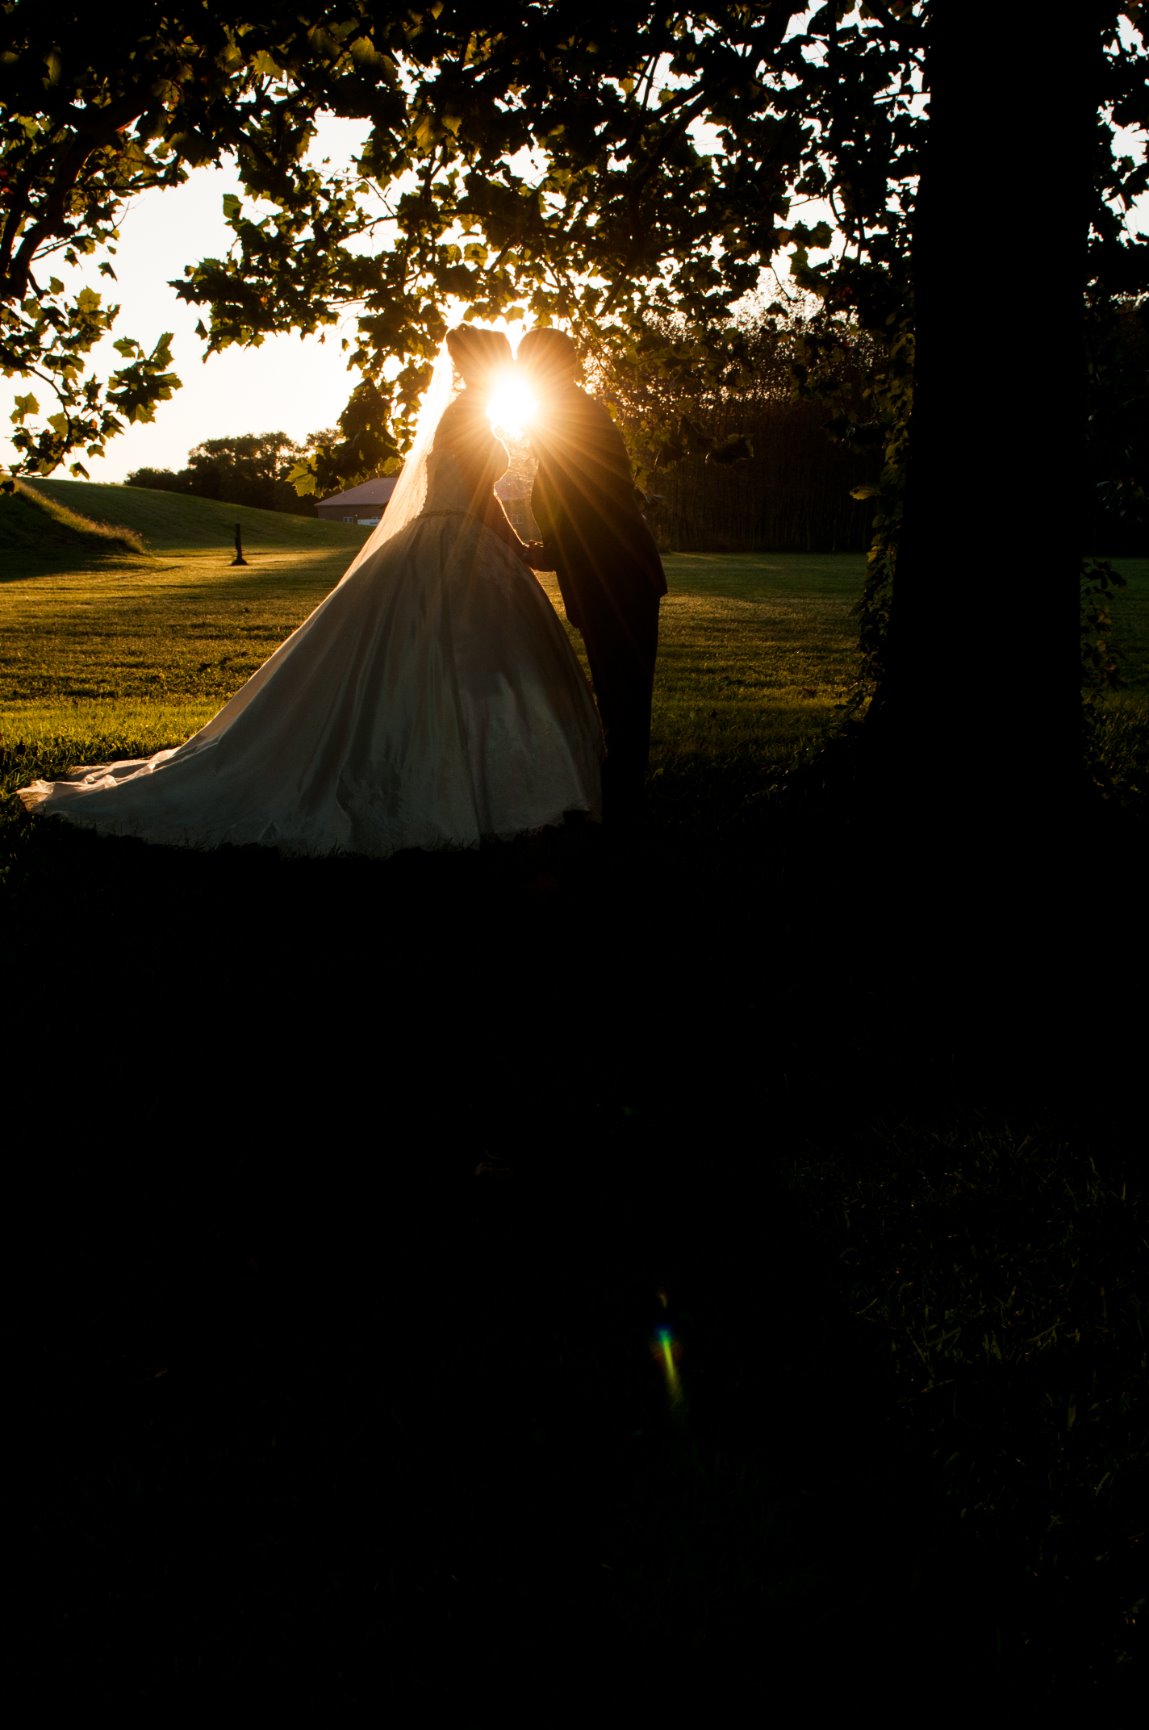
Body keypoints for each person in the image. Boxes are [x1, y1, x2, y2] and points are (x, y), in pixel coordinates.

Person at [16, 327, 602, 856]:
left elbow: (476, 492)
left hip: (450, 542)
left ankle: (475, 776)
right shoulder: (469, 414)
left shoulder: (464, 411)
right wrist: (520, 549)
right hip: (463, 545)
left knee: (435, 665)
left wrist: (513, 545)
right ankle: (474, 787)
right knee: (467, 662)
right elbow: (479, 497)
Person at [517, 327, 666, 827]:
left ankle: (624, 804)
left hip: (617, 576)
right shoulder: (566, 414)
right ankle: (624, 793)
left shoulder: (574, 416)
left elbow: (585, 500)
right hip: (609, 573)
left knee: (624, 689)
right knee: (619, 689)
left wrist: (552, 551)